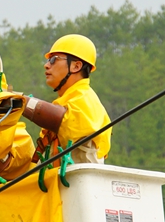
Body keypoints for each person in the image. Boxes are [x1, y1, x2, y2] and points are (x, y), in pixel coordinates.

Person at [26, 34, 111, 164]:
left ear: (76, 66)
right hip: (61, 181)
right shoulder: (69, 100)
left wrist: (22, 102)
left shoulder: (85, 98)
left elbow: (62, 121)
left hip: (78, 182)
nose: (47, 65)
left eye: (54, 59)